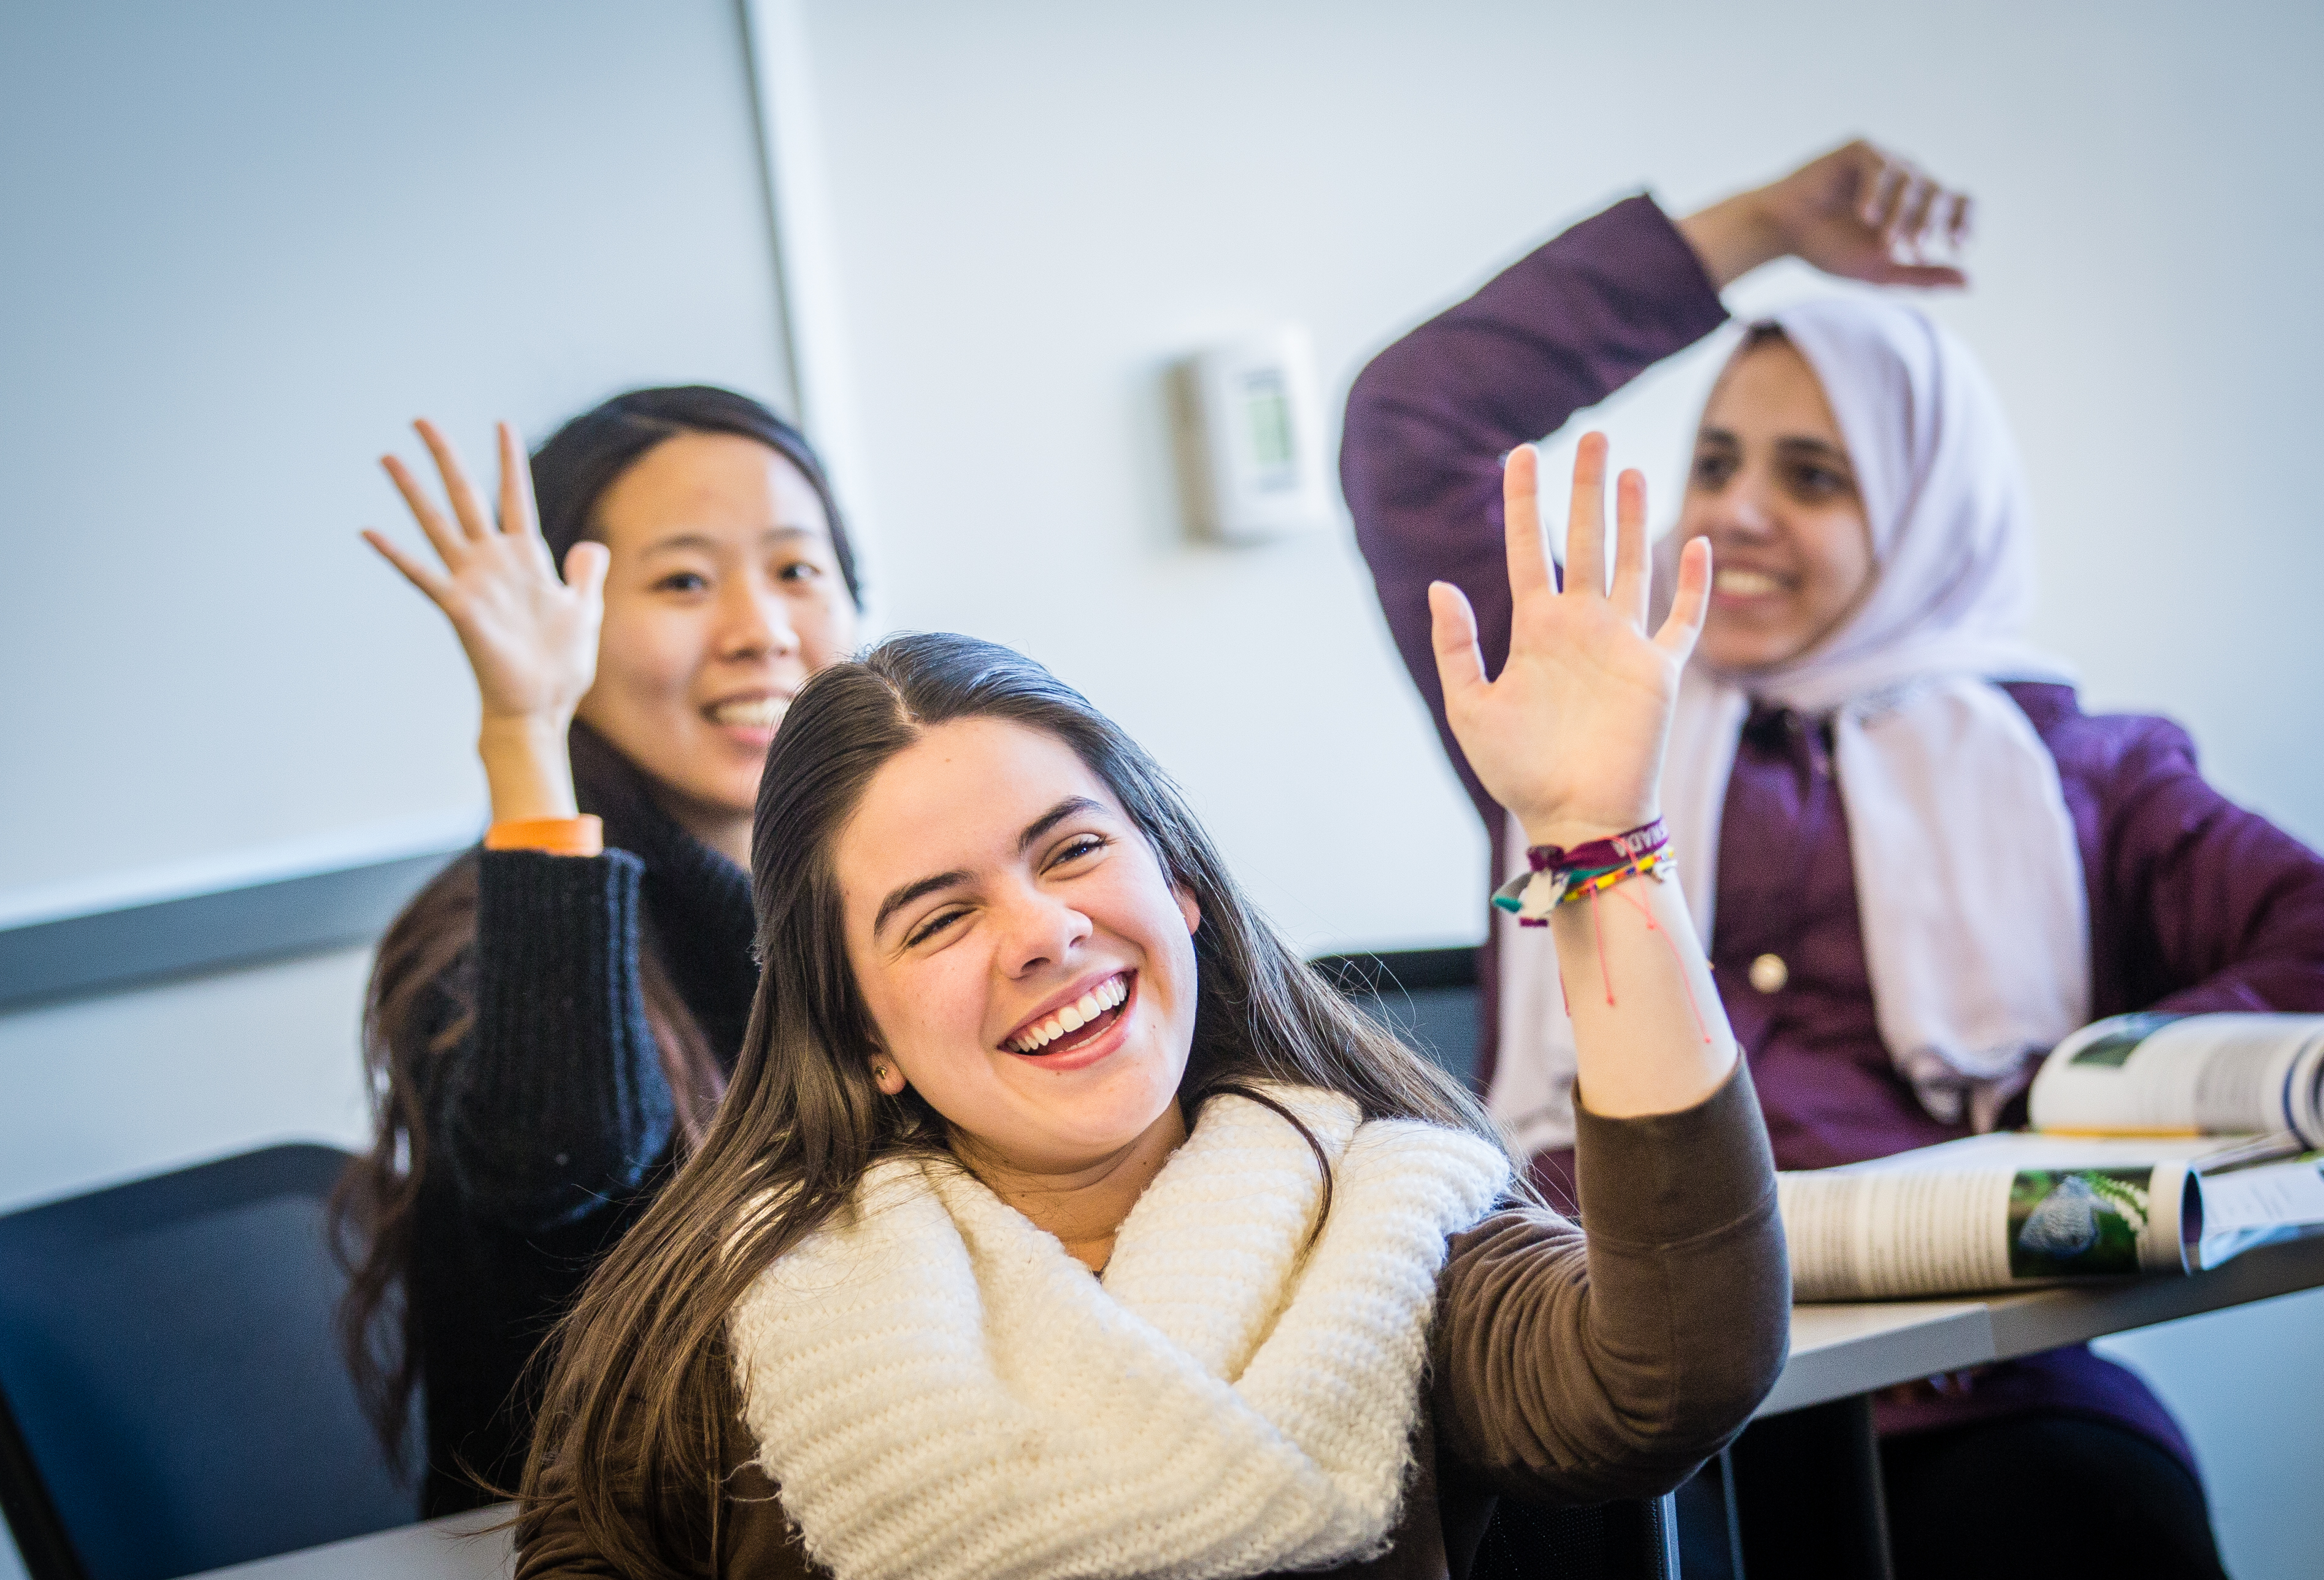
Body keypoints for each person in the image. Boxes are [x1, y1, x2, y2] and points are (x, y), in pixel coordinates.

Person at [1342, 139, 2324, 1579]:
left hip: (1969, 1380)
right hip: (1614, 1355)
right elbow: (1412, 421)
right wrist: (1754, 228)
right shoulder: (1582, 714)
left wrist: (2081, 1087)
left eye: (1813, 474)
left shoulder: (2080, 772)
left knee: (2088, 1515)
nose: (1741, 508)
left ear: (1927, 517)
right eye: (1717, 458)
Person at [510, 443, 1788, 1578]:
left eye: (1070, 852)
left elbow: (1677, 1368)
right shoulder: (733, 1325)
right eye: (940, 917)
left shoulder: (1400, 1227)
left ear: (1178, 886)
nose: (1044, 932)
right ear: (863, 1039)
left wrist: (1595, 837)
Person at [330, 385, 866, 1514]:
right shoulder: (482, 939)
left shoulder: (870, 902)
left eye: (798, 571)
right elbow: (565, 1157)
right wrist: (524, 733)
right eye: (681, 580)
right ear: (566, 625)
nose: (761, 628)